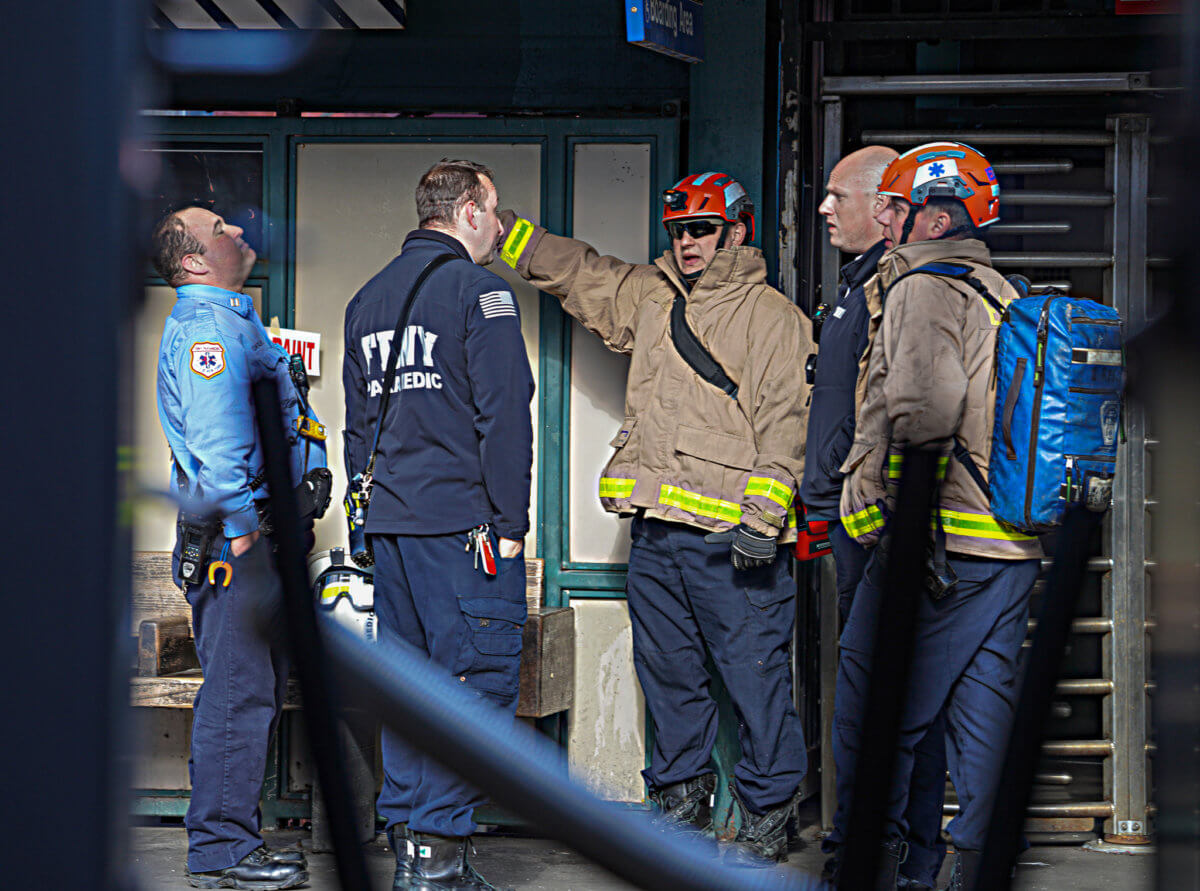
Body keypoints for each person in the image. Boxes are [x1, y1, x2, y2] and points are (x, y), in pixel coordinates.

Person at [498, 172, 813, 866]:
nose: (688, 241)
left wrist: (763, 518)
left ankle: (770, 806)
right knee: (668, 674)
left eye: (702, 228)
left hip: (737, 542)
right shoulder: (651, 296)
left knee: (755, 677)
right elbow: (581, 273)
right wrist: (506, 235)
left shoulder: (772, 318)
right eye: (679, 230)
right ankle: (680, 800)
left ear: (740, 229)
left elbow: (789, 424)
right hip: (657, 533)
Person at [833, 142, 1043, 890]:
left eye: (895, 204)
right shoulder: (1001, 290)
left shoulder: (926, 289)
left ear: (932, 210)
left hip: (944, 539)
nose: (884, 217)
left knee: (873, 704)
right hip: (1009, 546)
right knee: (981, 705)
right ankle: (975, 866)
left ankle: (870, 868)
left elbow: (925, 410)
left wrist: (901, 526)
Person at [343, 159, 534, 891]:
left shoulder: (367, 300)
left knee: (412, 688)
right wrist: (510, 522)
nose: (499, 226)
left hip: (390, 528)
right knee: (475, 688)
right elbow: (504, 414)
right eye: (496, 210)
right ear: (470, 213)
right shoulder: (481, 293)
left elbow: (360, 432)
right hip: (464, 530)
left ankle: (411, 846)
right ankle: (440, 857)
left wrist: (371, 524)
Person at [154, 207, 326, 890]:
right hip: (237, 543)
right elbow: (220, 446)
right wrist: (249, 536)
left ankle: (233, 839)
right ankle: (222, 849)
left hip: (262, 536)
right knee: (238, 691)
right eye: (220, 225)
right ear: (194, 260)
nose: (238, 230)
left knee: (253, 689)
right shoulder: (207, 330)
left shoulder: (235, 320)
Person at [808, 146, 950, 891]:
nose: (825, 209)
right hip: (846, 517)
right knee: (879, 691)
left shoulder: (902, 292)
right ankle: (898, 855)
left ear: (885, 208)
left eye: (837, 196)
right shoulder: (856, 288)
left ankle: (894, 857)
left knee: (885, 694)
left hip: (881, 522)